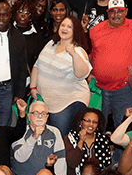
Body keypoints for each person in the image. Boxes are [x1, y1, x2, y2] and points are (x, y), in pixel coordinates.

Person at [29, 7, 91, 138]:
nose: (65, 28)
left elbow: (82, 75)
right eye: (63, 25)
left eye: (69, 27)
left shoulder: (78, 51)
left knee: (58, 139)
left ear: (76, 31)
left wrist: (73, 53)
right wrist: (33, 87)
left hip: (67, 103)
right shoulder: (51, 44)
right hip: (46, 101)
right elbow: (37, 66)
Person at [11, 101, 65, 175]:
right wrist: (33, 137)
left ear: (47, 117)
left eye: (43, 113)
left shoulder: (54, 132)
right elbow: (20, 158)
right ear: (29, 116)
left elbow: (60, 161)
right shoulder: (20, 131)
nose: (40, 116)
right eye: (35, 113)